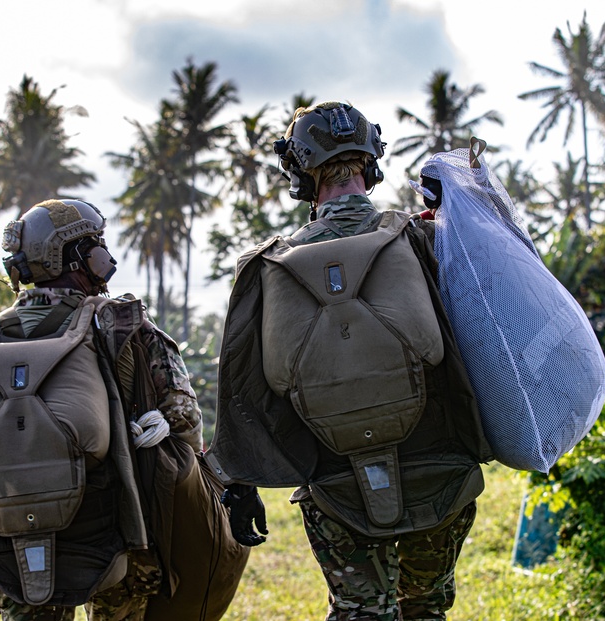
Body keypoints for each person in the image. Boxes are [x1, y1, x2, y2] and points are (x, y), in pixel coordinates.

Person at [0, 199, 248, 621]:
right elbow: (186, 422)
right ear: (81, 257)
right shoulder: (126, 326)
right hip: (113, 538)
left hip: (8, 539)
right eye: (98, 248)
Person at [207, 102, 494, 621]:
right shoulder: (426, 239)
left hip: (336, 486)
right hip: (441, 475)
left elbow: (243, 392)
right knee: (425, 608)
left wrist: (239, 480)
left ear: (297, 171)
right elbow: (487, 343)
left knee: (360, 611)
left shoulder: (264, 266)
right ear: (372, 161)